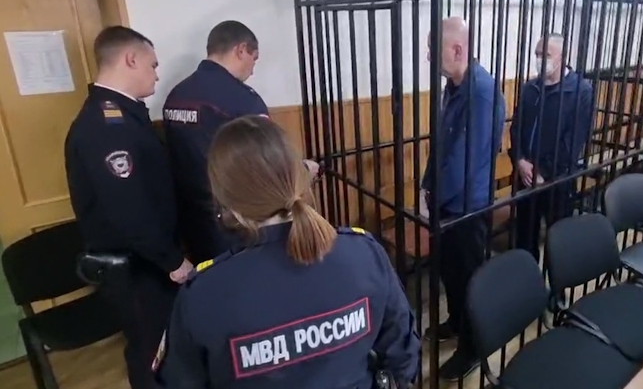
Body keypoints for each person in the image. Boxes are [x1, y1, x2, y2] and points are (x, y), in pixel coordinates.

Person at [153, 115, 421, 389]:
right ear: (299, 178)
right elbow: (404, 357)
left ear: (227, 204)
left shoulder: (204, 294)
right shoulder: (365, 255)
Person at [64, 26, 193, 389]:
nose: (157, 74)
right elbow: (130, 211)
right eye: (153, 65)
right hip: (137, 266)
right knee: (150, 350)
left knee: (163, 343)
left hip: (148, 259)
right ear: (131, 59)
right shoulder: (106, 126)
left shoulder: (123, 114)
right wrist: (172, 261)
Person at [162, 20, 319, 263]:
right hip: (234, 219)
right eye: (254, 59)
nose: (253, 70)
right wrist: (304, 170)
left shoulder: (176, 96)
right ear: (241, 50)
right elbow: (268, 162)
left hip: (191, 217)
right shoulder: (241, 100)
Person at [419, 17, 506, 381]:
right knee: (450, 272)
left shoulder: (481, 92)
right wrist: (426, 187)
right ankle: (456, 323)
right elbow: (440, 145)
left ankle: (471, 349)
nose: (428, 57)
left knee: (470, 279)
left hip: (468, 207)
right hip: (448, 203)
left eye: (432, 49)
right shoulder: (454, 88)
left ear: (456, 50)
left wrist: (433, 197)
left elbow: (463, 161)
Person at [508, 33, 594, 263]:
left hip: (558, 178)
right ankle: (527, 279)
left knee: (558, 241)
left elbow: (572, 142)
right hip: (526, 177)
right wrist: (520, 161)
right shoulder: (530, 88)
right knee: (525, 238)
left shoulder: (580, 91)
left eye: (545, 55)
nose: (539, 59)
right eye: (537, 54)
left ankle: (557, 283)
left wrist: (542, 172)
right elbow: (516, 128)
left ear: (562, 57)